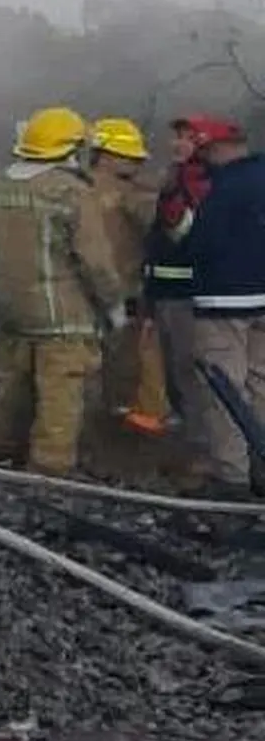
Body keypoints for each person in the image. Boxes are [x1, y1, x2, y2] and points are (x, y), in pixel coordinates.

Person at [0, 107, 126, 476]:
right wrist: (113, 304)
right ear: (70, 149)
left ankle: (0, 448)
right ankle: (48, 468)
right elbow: (95, 260)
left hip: (13, 311)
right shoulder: (70, 191)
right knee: (61, 393)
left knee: (14, 385)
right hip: (65, 317)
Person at [182, 117, 265, 496]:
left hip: (224, 302)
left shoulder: (225, 189)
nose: (203, 160)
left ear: (218, 149)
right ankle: (261, 467)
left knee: (224, 388)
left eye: (204, 152)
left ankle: (231, 477)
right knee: (261, 383)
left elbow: (200, 244)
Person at [88, 118, 168, 452]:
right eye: (127, 157)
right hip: (122, 293)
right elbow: (165, 229)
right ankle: (110, 430)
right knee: (122, 364)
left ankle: (88, 425)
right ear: (104, 154)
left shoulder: (74, 188)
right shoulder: (135, 195)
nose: (133, 164)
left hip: (78, 292)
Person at [142, 117, 212, 478]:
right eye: (176, 137)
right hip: (167, 294)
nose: (178, 143)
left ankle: (201, 452)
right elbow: (157, 243)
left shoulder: (201, 184)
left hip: (190, 297)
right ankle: (189, 441)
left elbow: (182, 238)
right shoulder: (173, 179)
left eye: (187, 138)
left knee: (190, 375)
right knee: (174, 375)